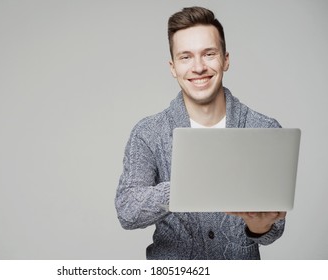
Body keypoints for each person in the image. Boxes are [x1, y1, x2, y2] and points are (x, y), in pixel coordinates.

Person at [115, 6, 286, 260]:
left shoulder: (264, 129)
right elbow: (128, 211)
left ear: (225, 59)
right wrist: (186, 187)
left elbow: (275, 229)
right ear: (173, 67)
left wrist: (260, 226)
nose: (198, 67)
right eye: (186, 57)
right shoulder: (148, 133)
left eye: (209, 54)